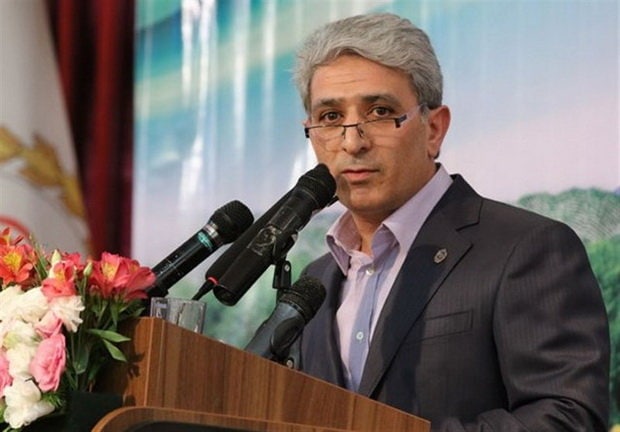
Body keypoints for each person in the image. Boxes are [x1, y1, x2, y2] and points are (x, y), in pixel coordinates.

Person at [293, 12, 610, 431]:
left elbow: (569, 418)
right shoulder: (314, 283)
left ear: (434, 129)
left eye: (381, 111)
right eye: (331, 118)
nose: (352, 142)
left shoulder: (527, 249)